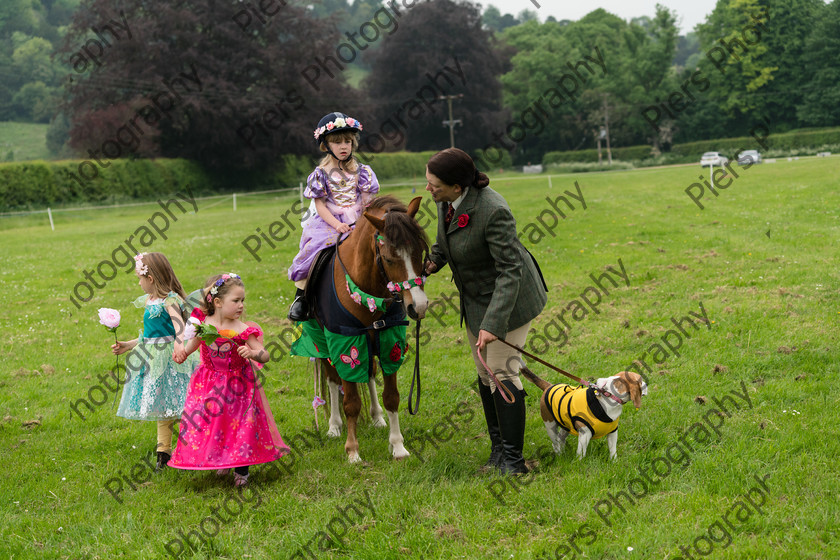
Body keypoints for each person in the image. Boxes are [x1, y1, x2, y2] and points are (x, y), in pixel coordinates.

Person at [423, 148, 548, 475]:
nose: (428, 189)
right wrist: (432, 262)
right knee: (484, 372)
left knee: (502, 371)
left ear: (457, 186)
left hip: (511, 297)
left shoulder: (494, 210)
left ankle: (514, 462)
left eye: (433, 184)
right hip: (476, 298)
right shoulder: (445, 201)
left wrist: (494, 324)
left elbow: (510, 270)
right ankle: (497, 451)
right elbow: (444, 242)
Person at [169, 273, 289, 487]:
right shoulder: (204, 325)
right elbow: (192, 346)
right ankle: (220, 459)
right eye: (236, 301)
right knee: (215, 423)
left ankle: (241, 470)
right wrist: (182, 354)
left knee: (240, 425)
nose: (241, 305)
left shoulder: (242, 329)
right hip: (208, 383)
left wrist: (252, 354)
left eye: (243, 300)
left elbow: (265, 354)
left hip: (238, 387)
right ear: (217, 302)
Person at [287, 112, 380, 321]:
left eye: (348, 141)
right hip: (329, 221)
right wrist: (337, 225)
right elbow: (319, 206)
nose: (344, 146)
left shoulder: (362, 171)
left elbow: (367, 202)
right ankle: (301, 298)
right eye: (337, 142)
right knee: (312, 252)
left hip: (359, 219)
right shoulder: (320, 173)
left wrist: (365, 222)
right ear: (326, 146)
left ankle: (390, 292)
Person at [112, 252, 199, 470]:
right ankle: (163, 451)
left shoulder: (169, 300)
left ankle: (194, 445)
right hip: (152, 358)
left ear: (149, 279)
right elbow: (150, 336)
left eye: (139, 279)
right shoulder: (150, 300)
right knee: (163, 405)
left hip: (171, 358)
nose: (139, 283)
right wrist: (129, 345)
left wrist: (180, 345)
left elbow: (180, 325)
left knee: (181, 402)